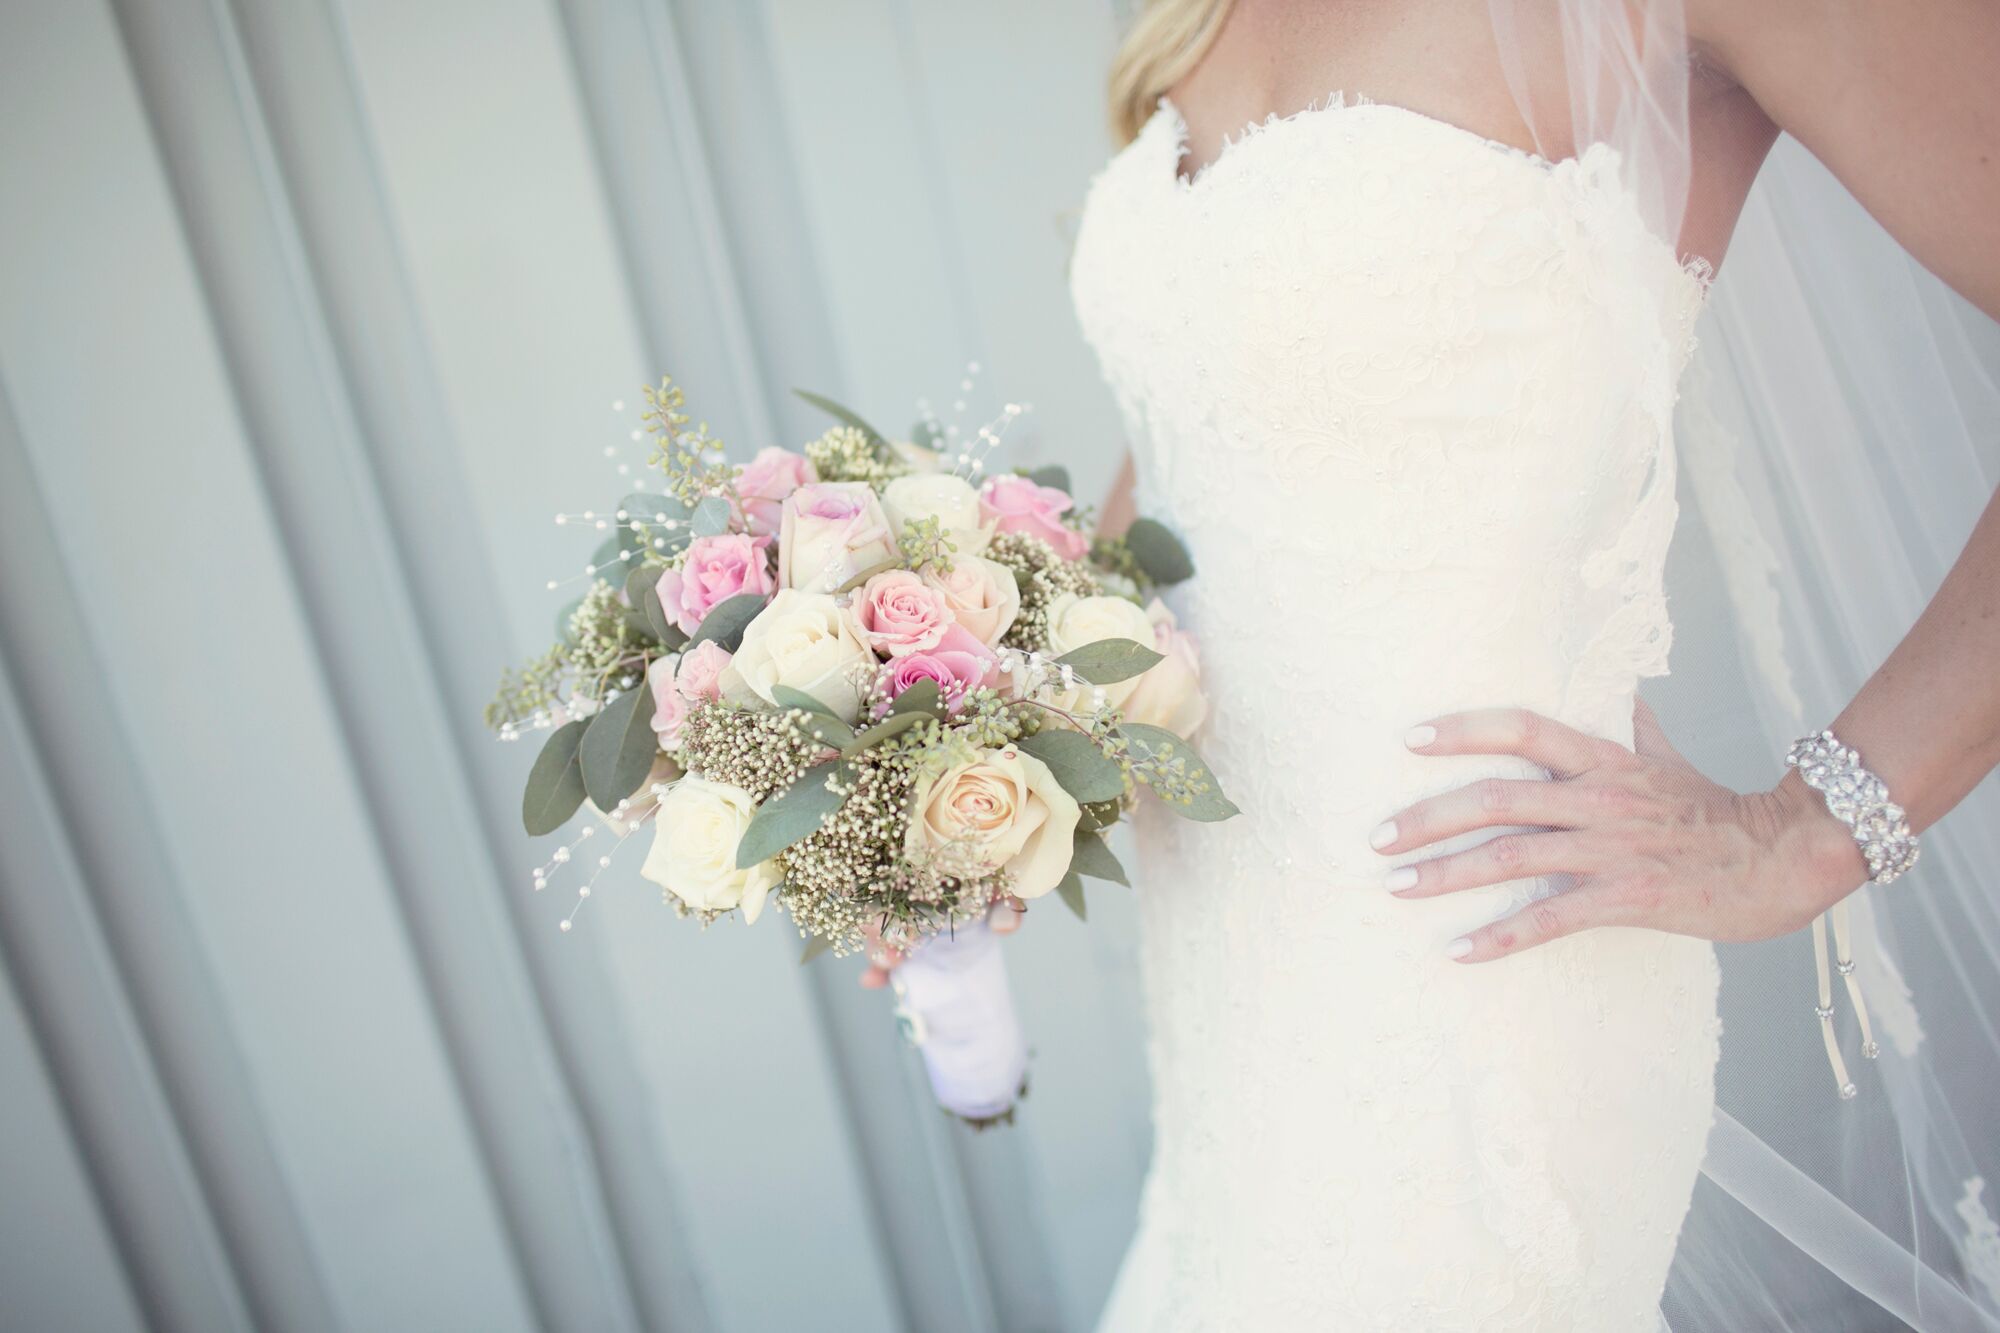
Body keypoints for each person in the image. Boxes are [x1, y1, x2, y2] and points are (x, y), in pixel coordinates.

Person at [883, 2, 2000, 1326]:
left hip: (1470, 978)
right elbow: (1200, 452)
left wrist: (1812, 827)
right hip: (1235, 983)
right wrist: (952, 731)